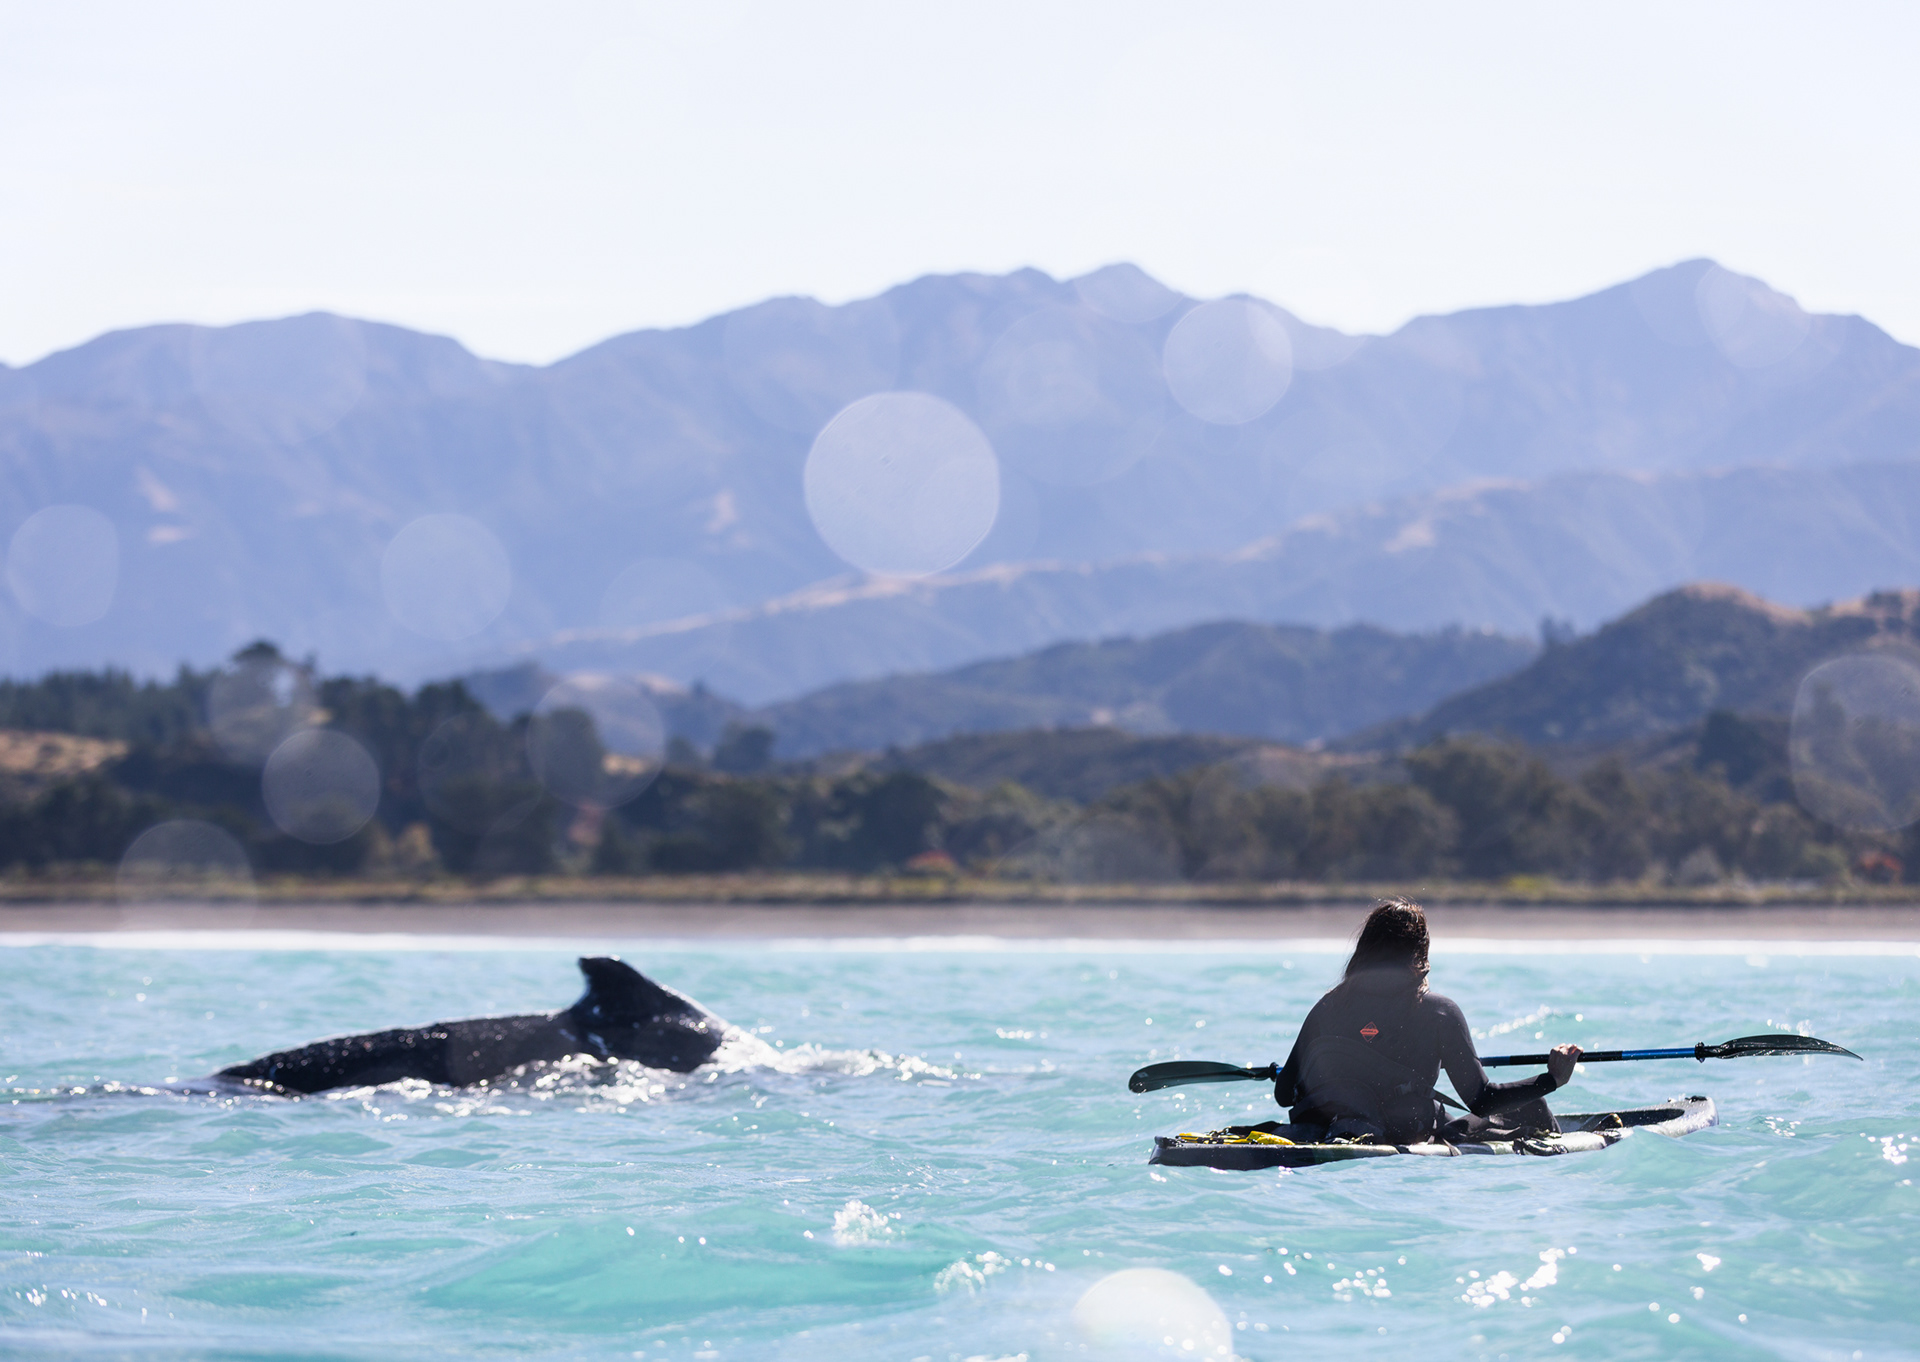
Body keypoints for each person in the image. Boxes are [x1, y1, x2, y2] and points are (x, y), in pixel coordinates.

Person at [1272, 898, 1581, 1143]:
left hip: (1329, 1126)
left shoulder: (1329, 1005)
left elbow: (1284, 1096)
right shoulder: (1438, 1013)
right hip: (1406, 1131)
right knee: (1533, 1106)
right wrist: (1552, 1079)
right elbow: (1483, 1101)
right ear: (1420, 954)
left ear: (1364, 950)